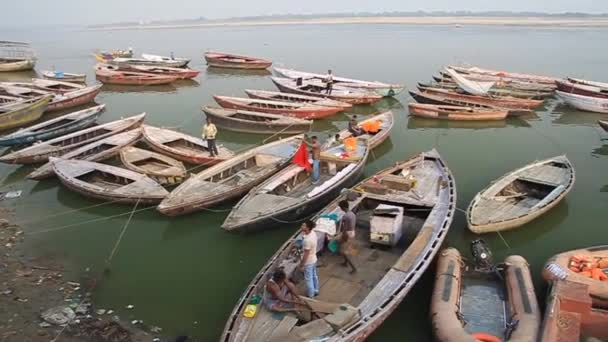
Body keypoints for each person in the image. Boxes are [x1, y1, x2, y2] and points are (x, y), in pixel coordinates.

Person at [300, 220, 319, 298]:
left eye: (303, 225)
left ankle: (311, 295)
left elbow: (306, 254)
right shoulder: (313, 233)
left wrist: (302, 265)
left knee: (308, 279)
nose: (301, 226)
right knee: (314, 275)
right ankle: (316, 290)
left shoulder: (307, 240)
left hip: (308, 262)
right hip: (314, 258)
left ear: (307, 228)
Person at [337, 200, 357, 273]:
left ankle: (353, 268)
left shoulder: (346, 216)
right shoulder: (352, 214)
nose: (340, 209)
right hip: (352, 232)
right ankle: (345, 262)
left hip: (347, 234)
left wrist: (342, 236)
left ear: (343, 207)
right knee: (346, 249)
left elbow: (344, 228)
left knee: (343, 251)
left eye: (340, 207)